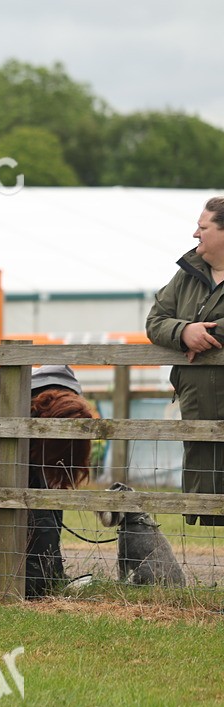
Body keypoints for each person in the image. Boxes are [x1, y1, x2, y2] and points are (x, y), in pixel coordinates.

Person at [0, 367, 95, 597]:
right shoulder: (1, 410)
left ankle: (47, 575)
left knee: (44, 503)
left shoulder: (74, 407)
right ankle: (5, 576)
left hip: (25, 434)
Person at [146, 196, 224, 527]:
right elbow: (155, 320)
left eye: (202, 227)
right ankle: (213, 578)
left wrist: (210, 335)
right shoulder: (187, 275)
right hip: (198, 406)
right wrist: (184, 332)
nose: (195, 234)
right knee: (206, 492)